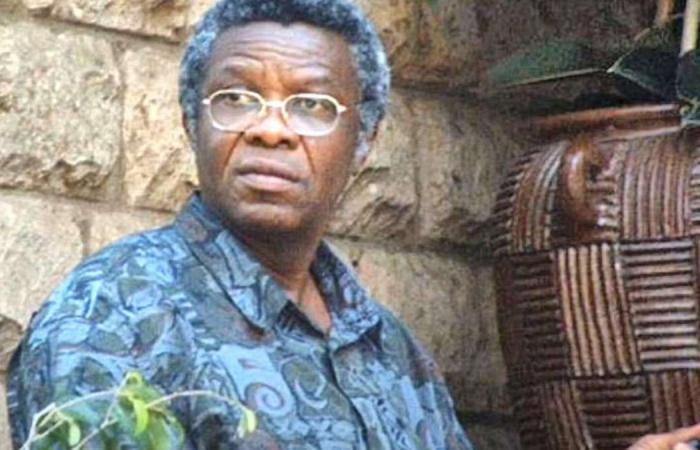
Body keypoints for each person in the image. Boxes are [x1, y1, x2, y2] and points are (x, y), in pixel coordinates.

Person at [6, 0, 475, 448]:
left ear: (364, 142)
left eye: (311, 104)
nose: (270, 129)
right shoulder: (114, 312)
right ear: (192, 122)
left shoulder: (390, 346)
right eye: (236, 98)